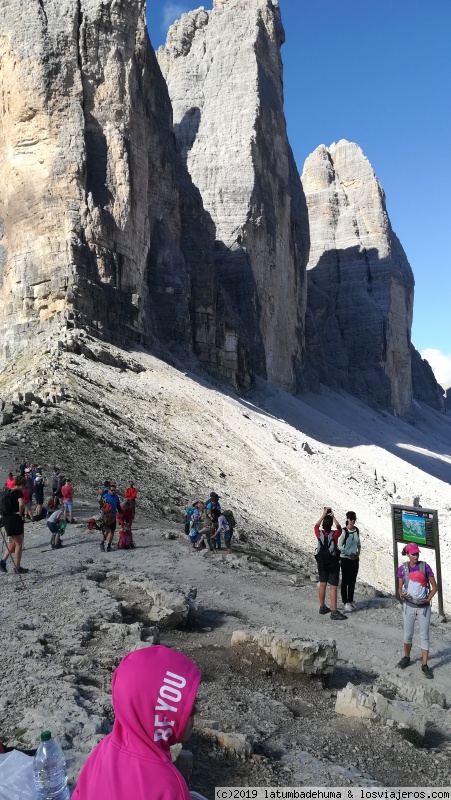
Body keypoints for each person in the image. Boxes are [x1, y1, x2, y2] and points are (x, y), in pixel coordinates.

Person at [72, 645, 201, 800]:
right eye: (186, 706)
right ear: (161, 711)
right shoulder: (170, 787)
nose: (196, 711)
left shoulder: (104, 748)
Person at [396, 543, 438, 679]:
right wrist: (401, 594)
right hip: (409, 606)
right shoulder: (402, 569)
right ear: (407, 554)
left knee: (424, 636)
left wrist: (428, 599)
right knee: (408, 635)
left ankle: (424, 664)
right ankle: (406, 657)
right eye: (413, 554)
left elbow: (434, 587)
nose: (416, 556)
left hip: (423, 608)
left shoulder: (425, 567)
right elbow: (400, 588)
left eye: (417, 553)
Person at [314, 507, 347, 620]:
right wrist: (333, 517)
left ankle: (322, 607)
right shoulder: (335, 534)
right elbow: (340, 528)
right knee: (333, 586)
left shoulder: (320, 534)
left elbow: (316, 526)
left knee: (322, 584)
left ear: (323, 525)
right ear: (331, 524)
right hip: (333, 563)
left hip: (322, 562)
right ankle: (334, 611)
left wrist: (323, 515)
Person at [0, 474, 28, 574]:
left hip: (6, 519)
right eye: (25, 485)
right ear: (22, 484)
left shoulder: (8, 491)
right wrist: (20, 513)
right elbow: (21, 503)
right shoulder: (18, 492)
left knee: (15, 541)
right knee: (19, 543)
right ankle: (18, 567)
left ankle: (3, 561)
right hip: (14, 519)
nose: (25, 487)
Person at [338, 511, 361, 612]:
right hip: (345, 558)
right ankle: (345, 601)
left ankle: (351, 599)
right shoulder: (344, 531)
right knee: (345, 580)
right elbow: (339, 546)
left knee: (352, 580)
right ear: (347, 519)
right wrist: (348, 553)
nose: (353, 521)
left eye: (354, 519)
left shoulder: (356, 530)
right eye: (351, 519)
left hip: (354, 559)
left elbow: (358, 543)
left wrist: (358, 552)